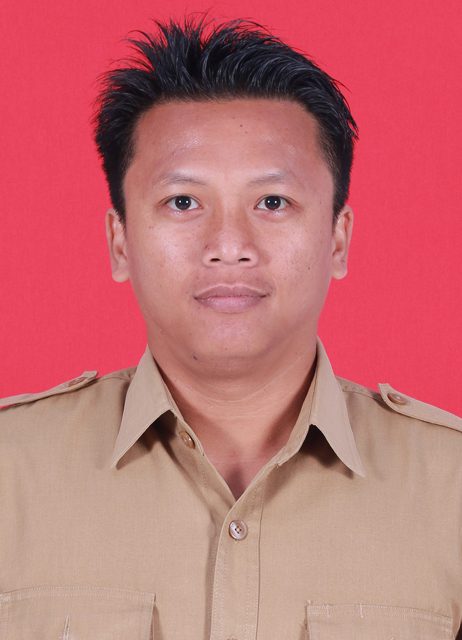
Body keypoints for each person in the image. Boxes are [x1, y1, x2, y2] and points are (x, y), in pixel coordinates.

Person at [1, 16, 461, 640]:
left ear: (338, 239)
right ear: (120, 241)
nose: (228, 245)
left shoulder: (451, 488)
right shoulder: (10, 473)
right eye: (183, 202)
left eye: (272, 202)